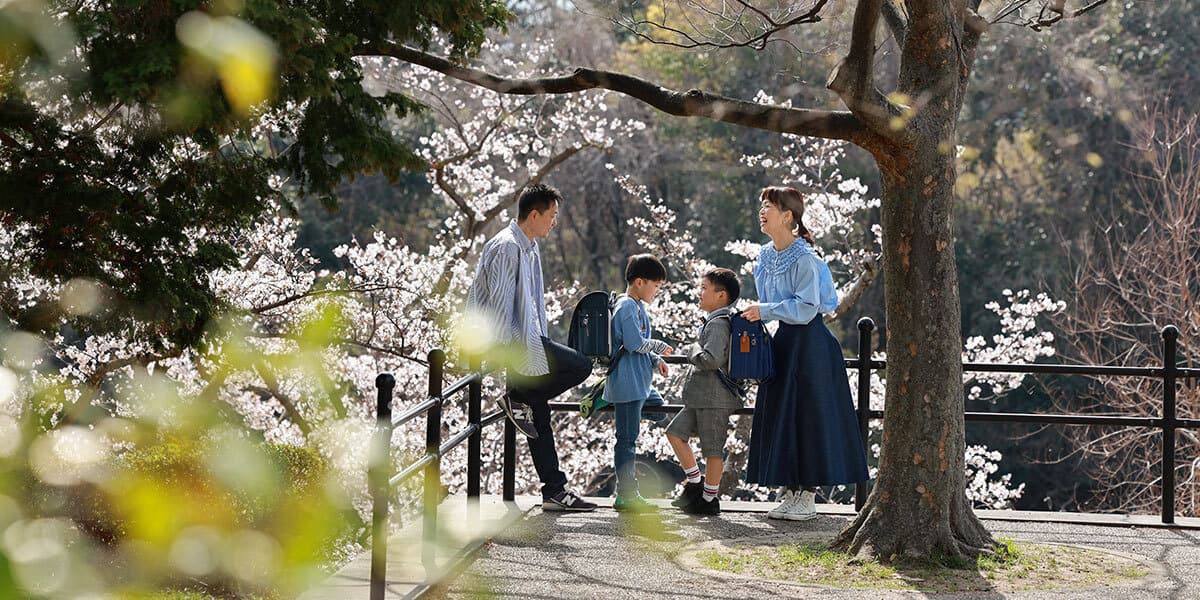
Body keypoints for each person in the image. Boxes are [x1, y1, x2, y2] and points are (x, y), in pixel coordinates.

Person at [465, 183, 596, 512]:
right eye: (551, 216)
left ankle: (554, 489)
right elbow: (498, 307)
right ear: (533, 215)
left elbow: (531, 303)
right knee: (580, 365)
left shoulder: (529, 246)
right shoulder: (507, 246)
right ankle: (520, 399)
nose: (555, 222)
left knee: (539, 414)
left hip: (529, 337)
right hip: (513, 342)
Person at [742, 186, 869, 521]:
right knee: (784, 415)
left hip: (810, 345)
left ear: (788, 216)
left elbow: (808, 308)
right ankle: (792, 491)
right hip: (784, 342)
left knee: (809, 416)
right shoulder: (765, 255)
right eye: (762, 205)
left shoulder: (806, 259)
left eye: (768, 206)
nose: (762, 211)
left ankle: (808, 495)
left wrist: (766, 310)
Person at [665, 268, 743, 516]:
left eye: (704, 289)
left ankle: (709, 499)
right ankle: (696, 483)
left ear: (721, 295)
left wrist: (692, 350)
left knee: (712, 450)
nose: (699, 293)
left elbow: (711, 360)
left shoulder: (720, 325)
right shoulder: (714, 322)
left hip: (714, 397)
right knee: (675, 433)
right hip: (701, 396)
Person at [603, 254, 673, 513]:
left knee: (660, 411)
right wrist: (659, 347)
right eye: (656, 285)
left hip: (640, 382)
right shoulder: (627, 307)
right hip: (627, 383)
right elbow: (633, 344)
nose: (657, 291)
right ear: (640, 282)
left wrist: (655, 360)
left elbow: (638, 344)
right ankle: (626, 495)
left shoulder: (637, 306)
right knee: (627, 439)